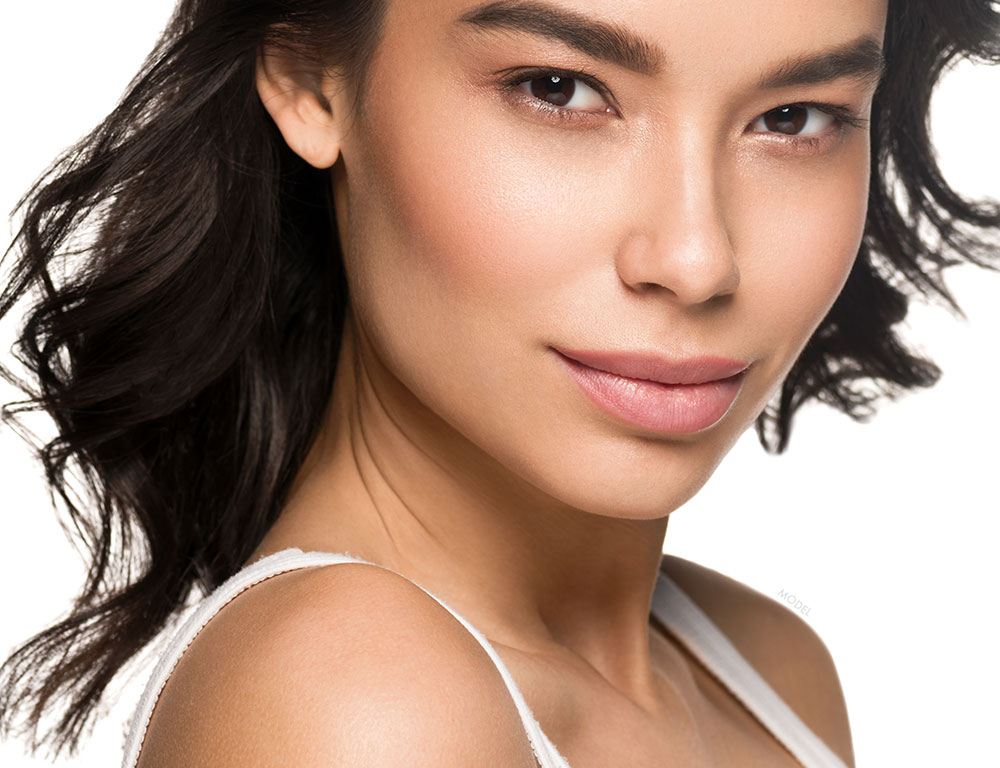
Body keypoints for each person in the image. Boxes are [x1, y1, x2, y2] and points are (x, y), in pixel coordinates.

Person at [1, 0, 998, 766]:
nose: (695, 259)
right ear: (311, 77)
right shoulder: (354, 701)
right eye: (559, 90)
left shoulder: (768, 672)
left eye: (796, 116)